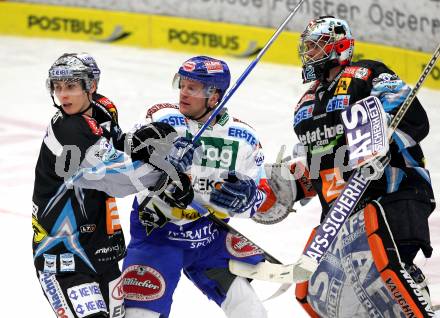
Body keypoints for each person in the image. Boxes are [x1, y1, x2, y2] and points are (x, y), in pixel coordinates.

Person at [263, 16, 436, 317]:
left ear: (339, 45)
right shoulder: (304, 107)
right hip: (342, 214)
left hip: (393, 191)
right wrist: (292, 186)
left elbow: (415, 121)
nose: (310, 53)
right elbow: (322, 164)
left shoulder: (366, 73)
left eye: (316, 46)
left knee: (394, 273)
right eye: (308, 47)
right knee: (346, 302)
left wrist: (385, 133)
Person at [32, 53, 194, 318]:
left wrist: (139, 142)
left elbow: (115, 143)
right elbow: (116, 178)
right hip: (63, 255)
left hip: (100, 249)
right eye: (58, 87)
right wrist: (166, 177)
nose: (63, 96)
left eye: (70, 87)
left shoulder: (103, 108)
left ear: (91, 87)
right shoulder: (68, 130)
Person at [120, 56, 275, 318]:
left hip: (209, 238)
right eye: (182, 84)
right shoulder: (162, 118)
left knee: (251, 311)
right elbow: (126, 161)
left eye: (193, 88)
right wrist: (160, 159)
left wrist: (246, 198)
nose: (183, 93)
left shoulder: (245, 137)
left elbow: (260, 198)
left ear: (214, 96)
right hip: (157, 236)